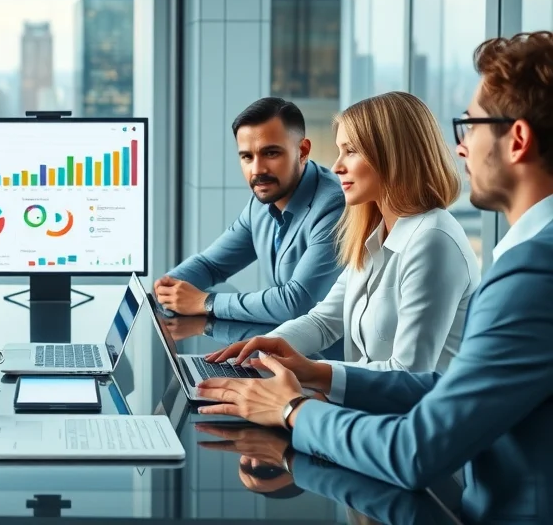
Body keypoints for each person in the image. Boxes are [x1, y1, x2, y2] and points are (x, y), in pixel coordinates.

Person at [194, 32, 553, 523]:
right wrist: (307, 369)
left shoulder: (529, 270)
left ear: (516, 139)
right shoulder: (382, 231)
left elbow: (416, 442)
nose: (462, 145)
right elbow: (428, 383)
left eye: (469, 125)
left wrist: (292, 409)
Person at [209, 92, 480, 374]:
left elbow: (407, 372)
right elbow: (324, 321)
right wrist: (261, 347)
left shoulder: (433, 240)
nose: (337, 166)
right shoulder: (375, 234)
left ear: (391, 155)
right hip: (369, 408)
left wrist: (312, 374)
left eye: (350, 151)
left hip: (407, 415)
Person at [155, 97, 345, 325]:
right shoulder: (262, 202)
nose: (257, 170)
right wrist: (168, 287)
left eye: (271, 153)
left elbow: (297, 303)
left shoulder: (334, 206)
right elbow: (212, 264)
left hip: (326, 357)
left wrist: (205, 302)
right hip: (283, 347)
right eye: (247, 157)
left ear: (302, 151)